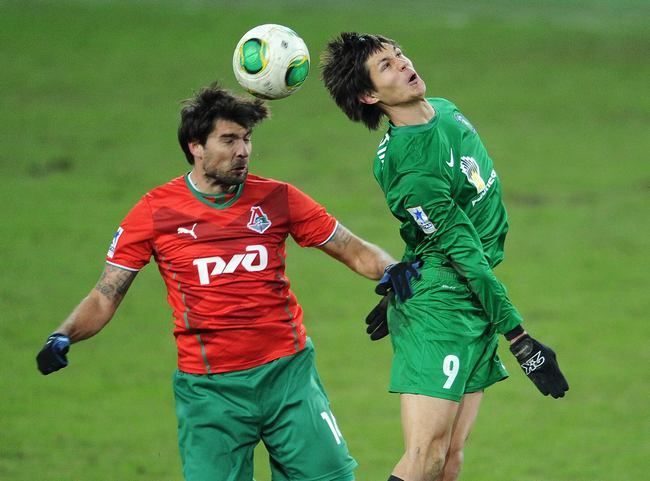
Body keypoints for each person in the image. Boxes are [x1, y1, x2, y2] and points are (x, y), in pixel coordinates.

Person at [36, 84, 419, 481]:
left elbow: (352, 248)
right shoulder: (155, 213)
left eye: (247, 139)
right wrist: (63, 335)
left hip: (288, 377)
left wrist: (391, 268)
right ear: (195, 147)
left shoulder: (277, 198)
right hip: (210, 393)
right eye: (229, 140)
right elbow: (105, 295)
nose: (243, 151)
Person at [321, 33, 569, 481]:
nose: (403, 63)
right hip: (445, 304)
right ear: (369, 95)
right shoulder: (412, 166)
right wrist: (520, 340)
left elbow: (428, 229)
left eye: (399, 54)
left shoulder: (445, 109)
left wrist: (405, 276)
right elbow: (465, 256)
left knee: (449, 460)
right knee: (426, 457)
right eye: (386, 66)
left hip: (469, 295)